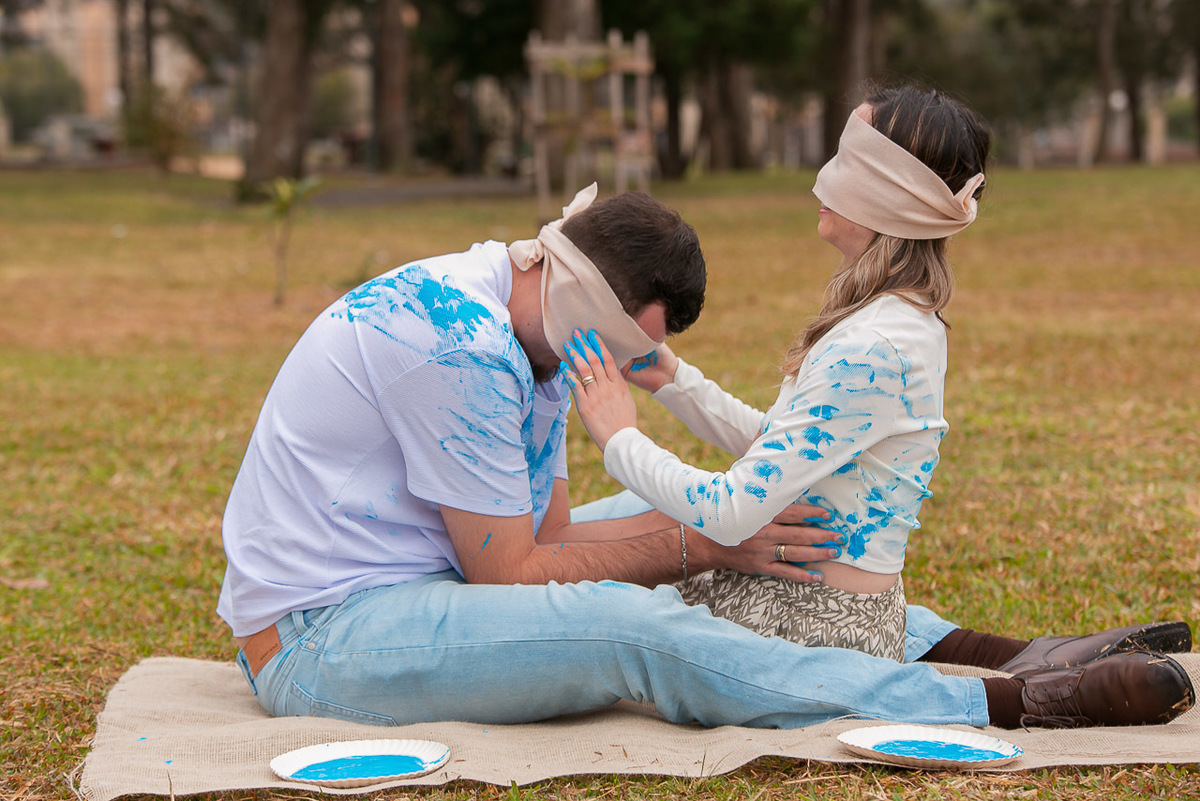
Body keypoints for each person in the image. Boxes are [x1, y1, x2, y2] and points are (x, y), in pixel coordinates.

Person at [217, 178, 1193, 734]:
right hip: (322, 637)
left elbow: (551, 537)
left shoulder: (530, 327)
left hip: (431, 573)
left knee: (728, 527)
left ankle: (998, 649)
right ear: (591, 304)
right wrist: (705, 545)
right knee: (627, 623)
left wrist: (710, 525)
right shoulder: (454, 345)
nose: (623, 368)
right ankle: (999, 702)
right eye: (626, 346)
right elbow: (512, 574)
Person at [563, 85, 973, 662]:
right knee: (579, 560)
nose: (821, 179)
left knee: (577, 607)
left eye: (849, 161)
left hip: (811, 624)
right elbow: (782, 446)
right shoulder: (899, 317)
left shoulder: (873, 347)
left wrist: (618, 438)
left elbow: (731, 514)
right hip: (807, 602)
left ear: (896, 194)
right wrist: (675, 381)